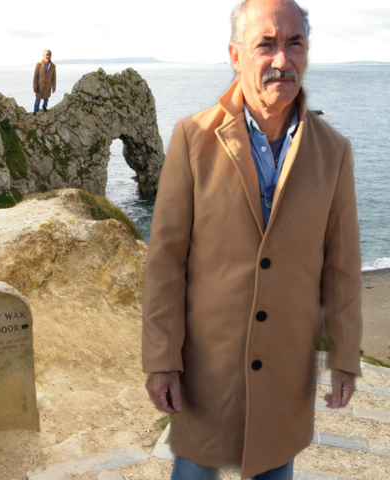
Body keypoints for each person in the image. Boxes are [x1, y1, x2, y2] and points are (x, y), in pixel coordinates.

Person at [142, 0, 362, 479]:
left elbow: (342, 267)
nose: (282, 59)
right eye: (266, 44)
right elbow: (165, 263)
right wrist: (162, 359)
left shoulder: (334, 152)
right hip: (207, 372)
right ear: (235, 55)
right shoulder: (191, 138)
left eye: (294, 43)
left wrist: (346, 355)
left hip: (286, 370)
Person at [33, 49, 56, 116]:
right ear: (43, 55)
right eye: (47, 54)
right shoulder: (39, 64)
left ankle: (44, 106)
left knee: (46, 98)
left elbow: (54, 78)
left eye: (49, 55)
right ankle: (35, 111)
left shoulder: (53, 66)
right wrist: (35, 87)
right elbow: (35, 76)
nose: (48, 56)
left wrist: (54, 87)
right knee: (37, 100)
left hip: (48, 86)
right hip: (40, 86)